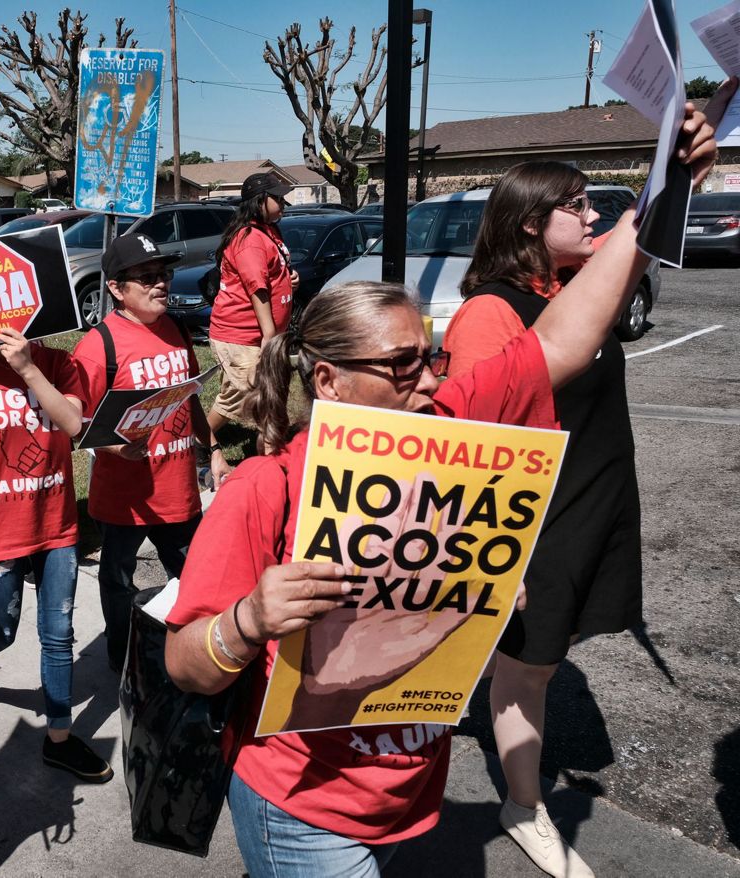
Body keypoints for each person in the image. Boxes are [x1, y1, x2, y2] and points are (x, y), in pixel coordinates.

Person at [162, 102, 720, 878]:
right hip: (302, 812)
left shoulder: (447, 422)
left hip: (410, 799)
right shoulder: (268, 487)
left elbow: (562, 337)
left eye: (429, 356)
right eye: (403, 366)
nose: (432, 379)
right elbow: (186, 666)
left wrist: (658, 193)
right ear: (328, 378)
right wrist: (249, 619)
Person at [440, 78, 731, 874]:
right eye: (576, 206)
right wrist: (490, 555)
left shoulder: (572, 289)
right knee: (525, 669)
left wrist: (688, 153)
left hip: (597, 500)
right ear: (533, 223)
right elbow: (468, 452)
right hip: (541, 522)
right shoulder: (491, 313)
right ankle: (524, 806)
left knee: (542, 655)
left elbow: (647, 227)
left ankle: (495, 705)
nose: (593, 215)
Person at [0, 328, 113, 783]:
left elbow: (75, 425)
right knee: (3, 629)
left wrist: (28, 367)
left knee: (57, 634)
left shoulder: (59, 365)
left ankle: (59, 738)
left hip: (56, 527)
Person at [73, 233, 231, 671]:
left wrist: (212, 448)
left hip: (177, 492)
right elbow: (78, 426)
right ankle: (121, 658)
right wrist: (115, 448)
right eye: (146, 277)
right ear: (116, 289)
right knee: (118, 583)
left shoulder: (178, 329)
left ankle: (195, 654)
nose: (160, 283)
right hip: (124, 500)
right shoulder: (97, 347)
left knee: (197, 579)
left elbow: (191, 398)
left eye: (163, 274)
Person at [207, 171, 299, 441]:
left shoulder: (268, 230)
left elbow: (272, 273)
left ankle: (272, 446)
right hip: (241, 335)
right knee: (243, 392)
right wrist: (269, 336)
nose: (283, 202)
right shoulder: (249, 238)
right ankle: (199, 440)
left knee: (270, 392)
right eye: (277, 198)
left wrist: (289, 279)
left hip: (265, 334)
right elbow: (256, 288)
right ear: (260, 201)